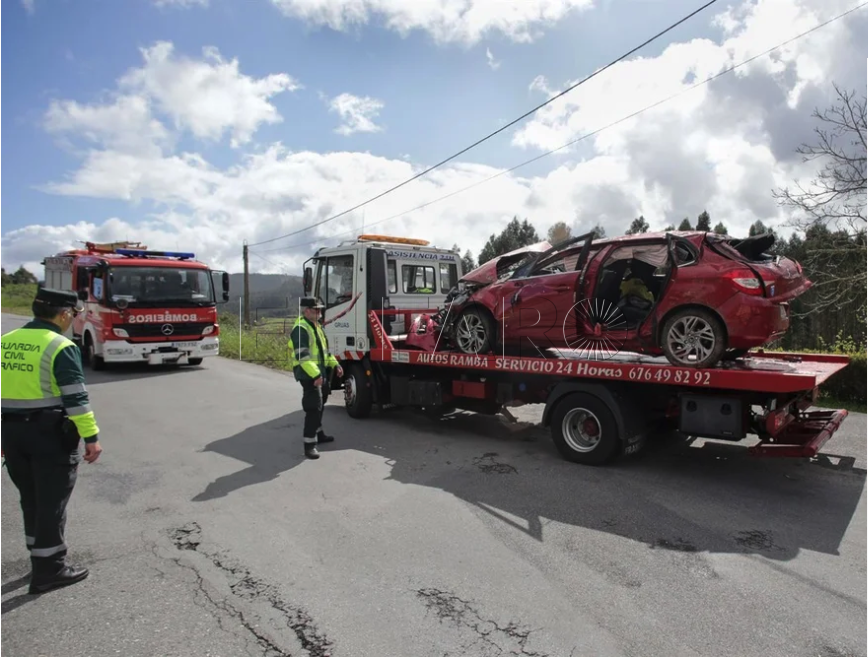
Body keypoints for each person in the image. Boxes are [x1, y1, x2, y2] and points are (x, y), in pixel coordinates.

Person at [1, 288, 103, 595]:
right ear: (64, 314)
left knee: (30, 498)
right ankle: (50, 570)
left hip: (12, 434)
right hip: (48, 436)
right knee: (52, 503)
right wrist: (91, 437)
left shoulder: (6, 342)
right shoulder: (60, 345)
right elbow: (76, 398)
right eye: (73, 314)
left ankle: (39, 558)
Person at [288, 297, 343, 460]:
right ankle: (309, 444)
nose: (320, 312)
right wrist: (316, 375)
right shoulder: (300, 329)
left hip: (319, 372)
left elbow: (324, 352)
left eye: (320, 309)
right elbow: (303, 357)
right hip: (308, 373)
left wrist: (335, 364)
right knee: (313, 406)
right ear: (306, 311)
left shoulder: (316, 327)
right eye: (316, 310)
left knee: (321, 403)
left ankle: (319, 434)